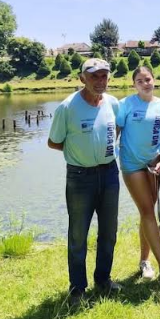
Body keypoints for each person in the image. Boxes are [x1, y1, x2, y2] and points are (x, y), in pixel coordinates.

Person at [48, 58, 122, 304]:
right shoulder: (67, 107)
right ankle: (77, 288)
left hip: (110, 173)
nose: (100, 81)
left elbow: (116, 129)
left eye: (104, 76)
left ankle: (103, 279)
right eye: (94, 76)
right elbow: (54, 142)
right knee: (78, 234)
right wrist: (80, 152)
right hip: (80, 177)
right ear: (82, 79)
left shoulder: (112, 103)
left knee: (109, 231)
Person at [116, 66, 160, 284]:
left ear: (154, 80)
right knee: (146, 210)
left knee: (148, 213)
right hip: (132, 164)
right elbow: (115, 133)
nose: (145, 84)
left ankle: (144, 261)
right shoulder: (125, 104)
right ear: (134, 85)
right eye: (140, 81)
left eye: (148, 79)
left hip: (154, 165)